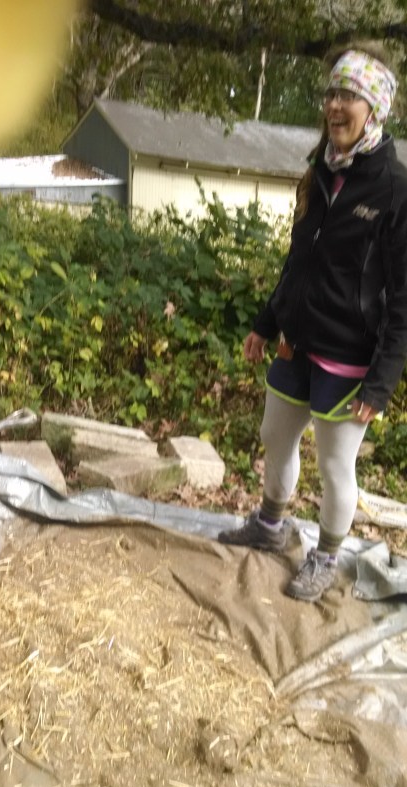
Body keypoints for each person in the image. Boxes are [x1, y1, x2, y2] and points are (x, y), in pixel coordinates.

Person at [218, 44, 407, 602]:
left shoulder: (395, 191)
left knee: (334, 464)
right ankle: (271, 527)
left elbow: (403, 296)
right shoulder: (318, 172)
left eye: (350, 95)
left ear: (375, 109)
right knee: (274, 437)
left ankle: (325, 555)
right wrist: (265, 322)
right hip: (296, 341)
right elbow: (298, 259)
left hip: (350, 357)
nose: (335, 105)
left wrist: (383, 379)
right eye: (331, 93)